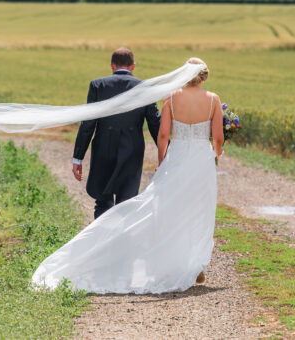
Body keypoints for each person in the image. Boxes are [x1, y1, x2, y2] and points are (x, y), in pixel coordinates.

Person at [32, 57, 224, 294]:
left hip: (178, 158)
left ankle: (161, 261)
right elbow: (217, 137)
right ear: (204, 76)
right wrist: (214, 153)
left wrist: (163, 159)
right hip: (200, 162)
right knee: (198, 210)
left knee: (168, 211)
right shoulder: (213, 100)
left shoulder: (172, 98)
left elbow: (163, 134)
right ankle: (194, 265)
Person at [72, 47, 161, 219]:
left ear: (112, 65)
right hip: (132, 149)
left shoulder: (98, 85)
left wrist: (78, 157)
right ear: (133, 66)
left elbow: (88, 123)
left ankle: (101, 241)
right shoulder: (146, 87)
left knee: (103, 200)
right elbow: (155, 123)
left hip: (103, 148)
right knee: (126, 202)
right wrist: (165, 155)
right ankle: (122, 242)